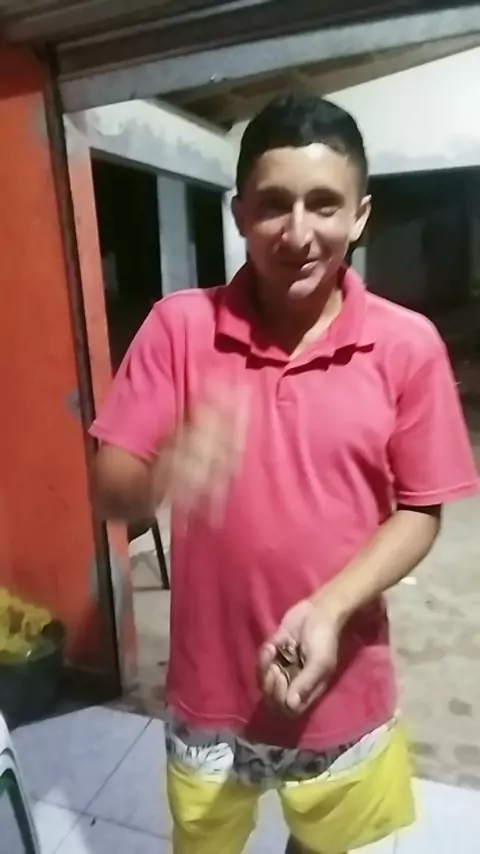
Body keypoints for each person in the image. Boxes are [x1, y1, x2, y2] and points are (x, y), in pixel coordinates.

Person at [90, 94, 479, 854]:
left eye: (324, 205)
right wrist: (167, 470)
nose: (299, 234)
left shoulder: (408, 346)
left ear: (360, 216)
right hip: (209, 693)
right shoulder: (179, 328)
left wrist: (329, 609)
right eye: (273, 205)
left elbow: (421, 509)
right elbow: (109, 488)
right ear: (239, 214)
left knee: (328, 843)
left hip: (342, 681)